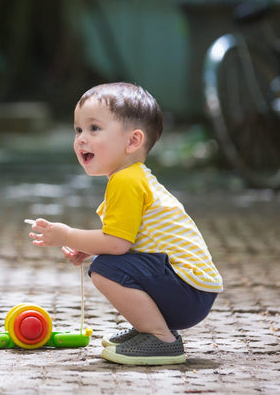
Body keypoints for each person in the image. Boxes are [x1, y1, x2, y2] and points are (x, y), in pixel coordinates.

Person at [27, 82, 223, 365]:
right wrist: (89, 247)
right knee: (109, 263)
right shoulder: (132, 177)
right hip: (192, 290)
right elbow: (131, 240)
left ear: (132, 141)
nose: (81, 138)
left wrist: (67, 235)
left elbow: (117, 245)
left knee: (105, 269)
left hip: (188, 292)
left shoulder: (126, 181)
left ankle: (161, 338)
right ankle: (152, 328)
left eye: (94, 128)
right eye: (78, 130)